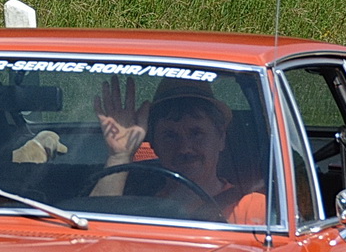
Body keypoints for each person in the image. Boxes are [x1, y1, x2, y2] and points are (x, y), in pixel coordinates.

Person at [92, 76, 266, 224]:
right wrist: (120, 156)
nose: (185, 148)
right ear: (153, 144)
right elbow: (93, 236)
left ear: (221, 138)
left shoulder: (252, 209)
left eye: (197, 133)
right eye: (170, 135)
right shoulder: (139, 205)